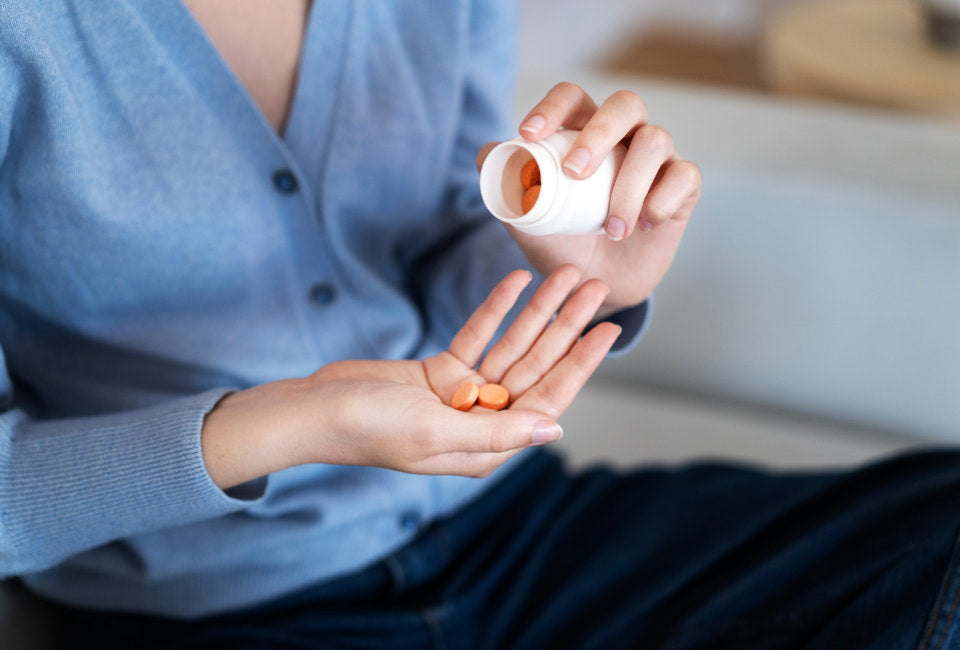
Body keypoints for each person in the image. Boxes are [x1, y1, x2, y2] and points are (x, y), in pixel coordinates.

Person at [1, 2, 957, 649]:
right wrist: (298, 422)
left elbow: (438, 235)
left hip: (518, 535)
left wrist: (563, 265)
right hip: (217, 610)